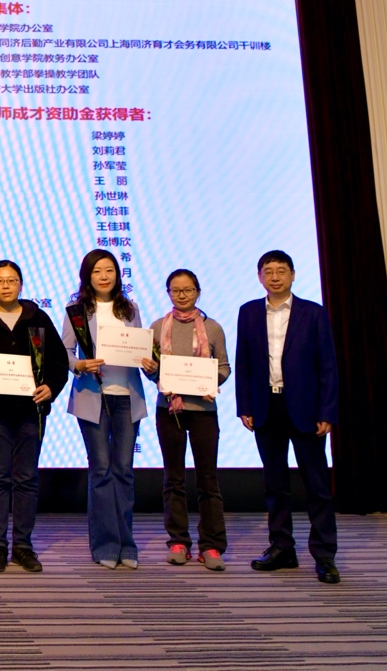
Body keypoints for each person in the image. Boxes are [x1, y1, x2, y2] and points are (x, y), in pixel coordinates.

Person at [236, 250, 340, 584]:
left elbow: (327, 366)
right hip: (267, 406)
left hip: (307, 409)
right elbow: (244, 363)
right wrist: (244, 405)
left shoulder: (314, 313)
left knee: (317, 485)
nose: (275, 276)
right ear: (259, 277)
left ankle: (324, 555)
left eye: (281, 270)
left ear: (293, 274)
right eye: (268, 271)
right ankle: (282, 548)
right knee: (275, 484)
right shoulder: (249, 312)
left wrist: (326, 411)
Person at [0, 260, 67, 573]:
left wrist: (51, 387)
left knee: (27, 479)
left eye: (11, 280)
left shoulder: (38, 318)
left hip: (30, 412)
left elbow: (58, 362)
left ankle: (23, 546)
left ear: (21, 284)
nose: (5, 286)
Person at [61, 248, 150, 570]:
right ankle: (105, 545)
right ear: (87, 276)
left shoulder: (130, 309)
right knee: (101, 471)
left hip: (127, 396)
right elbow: (65, 351)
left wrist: (148, 361)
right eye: (97, 271)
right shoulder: (76, 311)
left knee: (124, 471)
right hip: (92, 396)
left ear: (117, 274)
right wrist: (79, 364)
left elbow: (140, 348)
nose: (104, 276)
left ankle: (127, 544)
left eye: (109, 270)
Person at [141, 269, 230, 571]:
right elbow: (152, 371)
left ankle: (212, 545)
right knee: (173, 478)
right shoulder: (157, 327)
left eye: (188, 290)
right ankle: (178, 540)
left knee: (208, 479)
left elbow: (224, 367)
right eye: (176, 290)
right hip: (169, 410)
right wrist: (151, 371)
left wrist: (211, 382)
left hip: (204, 411)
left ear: (198, 292)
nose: (182, 295)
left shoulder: (212, 327)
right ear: (168, 293)